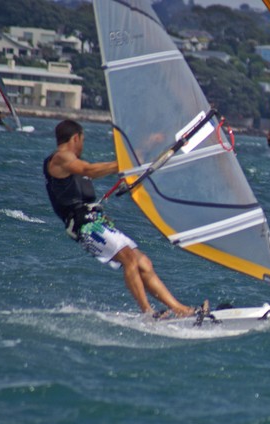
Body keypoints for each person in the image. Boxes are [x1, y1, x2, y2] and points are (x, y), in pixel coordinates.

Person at [43, 119, 206, 319]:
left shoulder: (70, 161)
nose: (82, 146)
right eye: (82, 140)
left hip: (95, 220)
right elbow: (89, 170)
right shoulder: (61, 158)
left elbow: (124, 160)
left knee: (143, 262)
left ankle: (178, 309)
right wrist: (123, 165)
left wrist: (150, 144)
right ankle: (148, 313)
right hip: (83, 225)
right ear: (75, 138)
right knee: (129, 258)